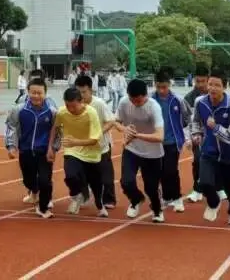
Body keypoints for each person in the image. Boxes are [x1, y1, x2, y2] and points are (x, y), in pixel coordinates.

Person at [190, 71, 230, 225]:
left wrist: (216, 128)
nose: (212, 88)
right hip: (208, 152)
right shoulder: (200, 102)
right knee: (204, 183)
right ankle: (214, 203)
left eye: (217, 85)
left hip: (229, 154)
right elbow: (196, 121)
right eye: (210, 84)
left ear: (224, 88)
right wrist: (197, 134)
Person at [48, 87, 105, 217]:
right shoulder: (62, 112)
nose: (71, 110)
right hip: (72, 150)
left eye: (74, 106)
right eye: (68, 106)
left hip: (92, 153)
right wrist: (50, 147)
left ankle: (100, 205)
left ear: (82, 102)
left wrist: (76, 142)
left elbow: (94, 140)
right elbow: (54, 128)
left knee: (96, 184)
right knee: (70, 175)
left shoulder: (91, 113)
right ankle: (76, 196)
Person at [114, 78, 165, 222]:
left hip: (153, 154)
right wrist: (125, 129)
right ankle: (136, 199)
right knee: (126, 181)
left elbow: (160, 136)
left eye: (139, 101)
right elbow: (116, 122)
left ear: (146, 95)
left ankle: (157, 210)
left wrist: (137, 135)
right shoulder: (124, 102)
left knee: (151, 187)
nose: (135, 103)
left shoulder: (153, 107)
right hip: (132, 149)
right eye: (132, 100)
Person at [5, 77, 57, 218]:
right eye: (33, 92)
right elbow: (11, 127)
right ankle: (34, 192)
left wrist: (54, 148)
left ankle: (43, 207)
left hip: (44, 152)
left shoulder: (52, 112)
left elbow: (57, 131)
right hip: (26, 151)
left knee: (45, 181)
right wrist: (11, 146)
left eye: (39, 93)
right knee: (28, 180)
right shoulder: (19, 110)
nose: (36, 96)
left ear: (45, 94)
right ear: (28, 92)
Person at [74, 74, 117, 209]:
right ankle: (85, 196)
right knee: (81, 173)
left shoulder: (99, 104)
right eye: (78, 92)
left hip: (101, 146)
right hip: (83, 146)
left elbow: (111, 122)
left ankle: (109, 199)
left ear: (91, 90)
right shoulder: (74, 105)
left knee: (105, 175)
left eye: (84, 92)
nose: (81, 95)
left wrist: (98, 132)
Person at [153, 70, 190, 213]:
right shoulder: (151, 100)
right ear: (155, 85)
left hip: (173, 141)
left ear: (169, 85)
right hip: (156, 142)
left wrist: (186, 138)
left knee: (171, 170)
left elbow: (188, 118)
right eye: (159, 87)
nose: (162, 90)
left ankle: (177, 197)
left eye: (164, 87)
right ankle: (167, 196)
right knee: (160, 171)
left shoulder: (177, 100)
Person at [184, 65, 212, 203]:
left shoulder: (215, 94)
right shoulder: (189, 98)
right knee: (197, 161)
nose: (200, 84)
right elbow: (187, 120)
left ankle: (228, 187)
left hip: (216, 135)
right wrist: (189, 138)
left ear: (208, 80)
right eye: (197, 81)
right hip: (198, 136)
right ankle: (197, 190)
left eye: (203, 81)